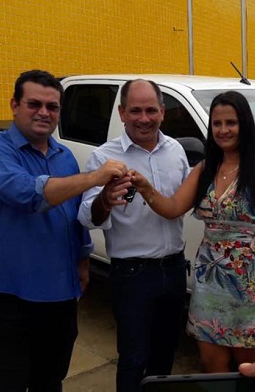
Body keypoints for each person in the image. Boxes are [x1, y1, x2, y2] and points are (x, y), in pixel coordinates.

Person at [0, 69, 126, 391]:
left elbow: (73, 215)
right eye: (34, 104)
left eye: (52, 106)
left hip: (58, 291)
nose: (44, 112)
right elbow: (28, 194)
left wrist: (83, 260)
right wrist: (95, 177)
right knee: (8, 382)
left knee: (50, 380)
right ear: (15, 105)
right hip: (6, 293)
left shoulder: (64, 157)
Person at [129, 90, 255, 372]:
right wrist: (145, 188)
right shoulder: (205, 169)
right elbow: (173, 207)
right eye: (217, 124)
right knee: (211, 362)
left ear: (244, 124)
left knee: (248, 366)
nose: (223, 130)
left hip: (250, 283)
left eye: (231, 123)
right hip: (210, 281)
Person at [77, 79, 190, 391]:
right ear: (122, 113)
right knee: (133, 357)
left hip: (174, 269)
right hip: (132, 275)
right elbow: (87, 217)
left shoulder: (176, 151)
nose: (144, 118)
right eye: (136, 110)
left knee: (165, 353)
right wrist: (105, 199)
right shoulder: (104, 157)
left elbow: (183, 202)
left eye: (151, 110)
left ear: (162, 112)